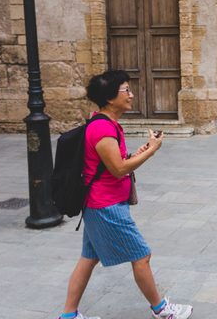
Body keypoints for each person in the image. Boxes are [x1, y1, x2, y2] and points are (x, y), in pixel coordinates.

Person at [58, 70, 193, 319]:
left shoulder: (106, 124)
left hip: (99, 204)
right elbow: (118, 169)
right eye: (126, 90)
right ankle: (161, 310)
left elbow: (114, 162)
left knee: (88, 259)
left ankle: (68, 316)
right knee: (142, 255)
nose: (131, 95)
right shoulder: (102, 128)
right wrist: (151, 151)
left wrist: (137, 153)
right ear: (110, 98)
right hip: (105, 206)